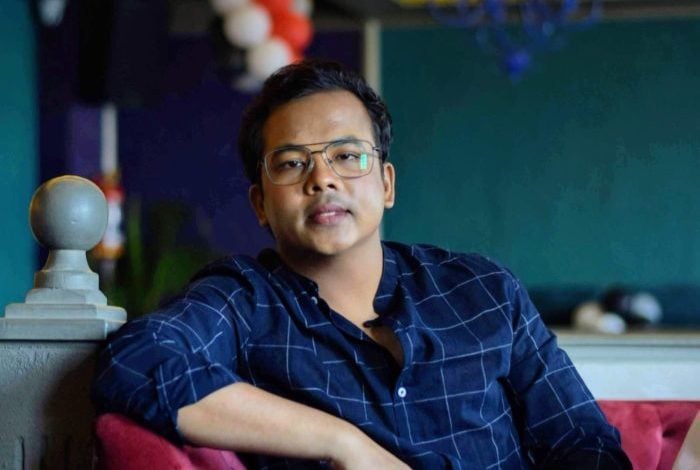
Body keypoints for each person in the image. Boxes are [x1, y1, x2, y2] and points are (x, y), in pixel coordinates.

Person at [93, 59, 631, 469]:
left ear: (386, 184)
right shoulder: (243, 301)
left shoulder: (483, 289)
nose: (322, 178)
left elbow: (583, 442)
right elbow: (136, 361)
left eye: (348, 156)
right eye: (292, 163)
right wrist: (345, 443)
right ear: (260, 204)